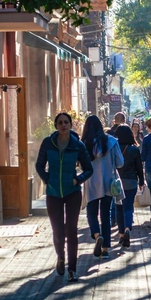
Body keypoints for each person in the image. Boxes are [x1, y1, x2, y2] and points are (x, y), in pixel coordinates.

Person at [34, 113, 93, 282]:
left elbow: (88, 169)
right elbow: (39, 165)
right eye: (60, 122)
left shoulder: (77, 145)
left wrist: (78, 179)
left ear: (70, 125)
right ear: (56, 125)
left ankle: (72, 269)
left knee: (71, 230)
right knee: (58, 230)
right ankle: (61, 257)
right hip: (53, 193)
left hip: (73, 192)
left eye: (66, 122)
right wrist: (47, 179)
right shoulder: (48, 143)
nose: (63, 125)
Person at [81, 115, 124, 260]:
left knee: (92, 213)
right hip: (108, 182)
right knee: (105, 214)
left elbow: (80, 165)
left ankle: (97, 234)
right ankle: (105, 249)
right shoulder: (111, 141)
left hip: (91, 182)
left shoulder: (84, 143)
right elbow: (120, 162)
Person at [115, 125, 144, 248]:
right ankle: (127, 228)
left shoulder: (114, 148)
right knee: (128, 207)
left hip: (117, 182)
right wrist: (141, 181)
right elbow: (139, 167)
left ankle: (121, 234)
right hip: (131, 181)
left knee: (118, 208)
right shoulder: (134, 149)